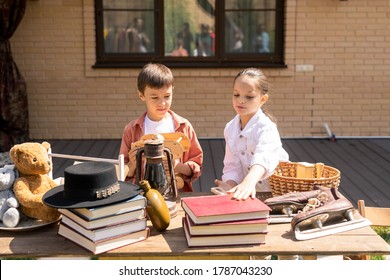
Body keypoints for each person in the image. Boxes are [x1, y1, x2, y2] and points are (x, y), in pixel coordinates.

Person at [119, 63, 203, 192]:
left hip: (176, 195)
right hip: (142, 197)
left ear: (172, 90)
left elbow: (196, 167)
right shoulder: (132, 130)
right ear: (141, 95)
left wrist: (176, 166)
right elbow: (122, 173)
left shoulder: (184, 127)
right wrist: (133, 163)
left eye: (167, 96)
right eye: (154, 97)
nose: (162, 103)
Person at [214, 68, 289, 200]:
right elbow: (232, 165)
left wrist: (249, 182)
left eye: (249, 96)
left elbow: (263, 157)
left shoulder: (266, 127)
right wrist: (229, 185)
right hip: (246, 195)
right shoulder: (230, 128)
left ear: (263, 99)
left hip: (277, 195)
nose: (241, 100)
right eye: (236, 94)